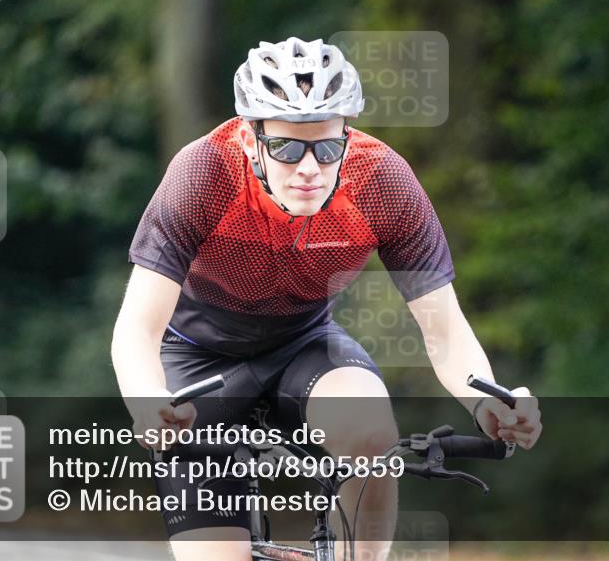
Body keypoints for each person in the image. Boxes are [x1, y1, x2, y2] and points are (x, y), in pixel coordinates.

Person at [111, 37, 543, 561]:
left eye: (328, 147)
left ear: (347, 135)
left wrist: (484, 401)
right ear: (251, 141)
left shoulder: (381, 181)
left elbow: (445, 332)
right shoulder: (203, 174)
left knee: (371, 435)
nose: (310, 167)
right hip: (197, 358)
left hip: (304, 343)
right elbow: (137, 328)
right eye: (288, 148)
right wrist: (145, 399)